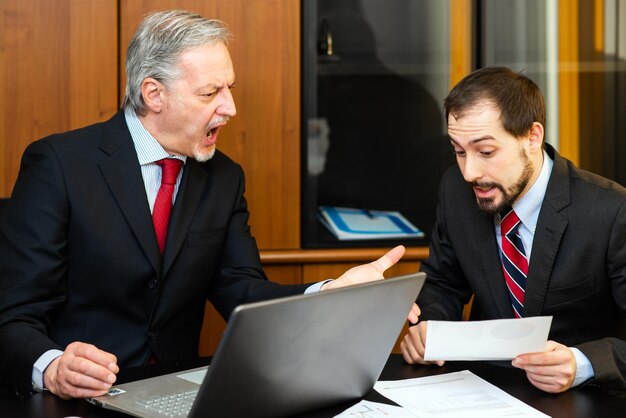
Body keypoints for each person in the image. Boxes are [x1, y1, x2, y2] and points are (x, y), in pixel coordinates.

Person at [0, 10, 406, 400]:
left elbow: (242, 291)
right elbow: (14, 315)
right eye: (211, 92)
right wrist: (52, 368)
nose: (229, 108)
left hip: (179, 397)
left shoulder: (224, 177)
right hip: (78, 400)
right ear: (154, 94)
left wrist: (328, 293)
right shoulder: (59, 165)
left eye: (229, 88)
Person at [400, 66, 626, 394]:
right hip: (477, 391)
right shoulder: (455, 190)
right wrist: (429, 330)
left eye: (486, 152)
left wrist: (583, 363)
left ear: (532, 137)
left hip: (582, 398)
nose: (469, 173)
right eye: (459, 151)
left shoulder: (611, 211)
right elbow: (443, 283)